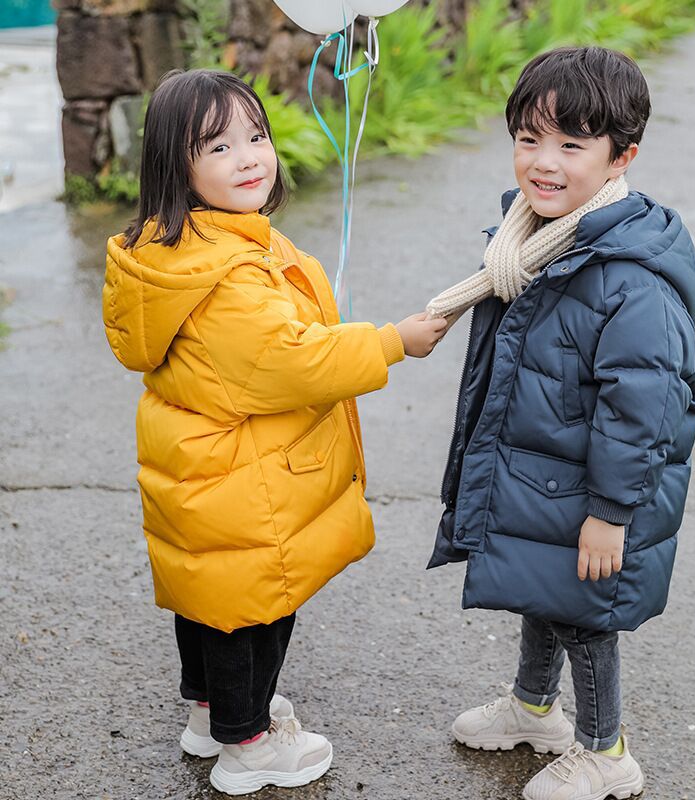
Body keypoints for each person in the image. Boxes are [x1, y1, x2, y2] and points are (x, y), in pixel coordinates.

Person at [102, 68, 446, 796]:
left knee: (208, 596)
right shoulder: (224, 276)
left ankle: (211, 715)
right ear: (177, 165)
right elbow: (293, 361)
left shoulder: (187, 247)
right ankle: (248, 745)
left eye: (256, 137)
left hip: (203, 468)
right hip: (242, 477)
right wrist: (390, 341)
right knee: (255, 607)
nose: (250, 156)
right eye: (219, 147)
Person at [426, 46, 695, 800]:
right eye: (528, 138)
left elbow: (643, 410)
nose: (543, 164)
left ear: (622, 157)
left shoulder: (627, 277)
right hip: (542, 477)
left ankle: (605, 750)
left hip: (589, 493)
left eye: (571, 145)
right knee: (540, 590)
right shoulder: (532, 244)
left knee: (584, 619)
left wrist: (611, 514)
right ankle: (534, 707)